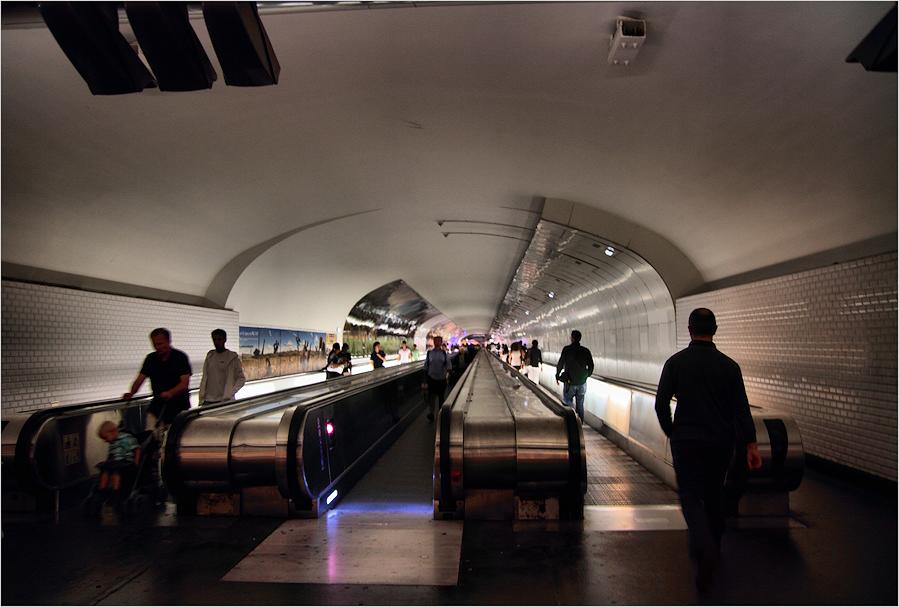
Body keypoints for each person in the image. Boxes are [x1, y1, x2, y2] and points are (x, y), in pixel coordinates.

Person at [654, 308, 763, 591]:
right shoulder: (729, 366)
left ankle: (704, 547)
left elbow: (661, 402)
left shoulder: (676, 363)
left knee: (690, 495)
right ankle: (714, 544)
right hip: (721, 440)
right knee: (715, 492)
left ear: (689, 330)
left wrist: (672, 431)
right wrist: (751, 446)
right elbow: (741, 410)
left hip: (687, 440)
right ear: (714, 329)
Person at [123, 328, 192, 434]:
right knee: (150, 435)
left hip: (178, 408)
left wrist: (170, 393)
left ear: (168, 341)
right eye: (155, 344)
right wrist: (131, 393)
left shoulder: (180, 358)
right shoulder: (151, 359)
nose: (157, 347)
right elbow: (140, 379)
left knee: (173, 438)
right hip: (157, 407)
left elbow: (184, 384)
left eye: (160, 344)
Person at [198, 329, 246, 405]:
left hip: (223, 400)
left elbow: (241, 378)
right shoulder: (210, 356)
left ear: (224, 340)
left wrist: (230, 393)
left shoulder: (231, 358)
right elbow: (205, 377)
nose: (216, 342)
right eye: (214, 340)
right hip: (207, 400)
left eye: (219, 339)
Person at [555, 330, 594, 421]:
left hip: (570, 381)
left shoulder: (567, 349)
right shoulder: (585, 351)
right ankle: (580, 422)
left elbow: (561, 363)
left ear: (572, 338)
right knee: (580, 403)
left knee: (568, 401)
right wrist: (586, 375)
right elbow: (591, 366)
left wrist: (557, 374)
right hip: (582, 382)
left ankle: (573, 421)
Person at [96, 420, 140, 494]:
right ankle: (102, 490)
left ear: (112, 432)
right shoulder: (112, 443)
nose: (105, 441)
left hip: (126, 460)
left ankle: (115, 490)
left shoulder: (127, 438)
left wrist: (136, 461)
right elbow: (112, 455)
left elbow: (137, 449)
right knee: (105, 469)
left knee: (116, 471)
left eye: (105, 438)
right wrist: (107, 461)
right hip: (116, 461)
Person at [423, 335, 452, 421]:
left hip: (442, 378)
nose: (436, 343)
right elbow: (426, 366)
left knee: (441, 396)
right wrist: (424, 379)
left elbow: (448, 364)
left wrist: (449, 372)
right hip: (432, 378)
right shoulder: (429, 354)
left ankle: (440, 413)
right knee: (431, 396)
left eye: (438, 341)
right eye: (435, 341)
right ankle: (431, 413)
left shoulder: (444, 354)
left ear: (441, 342)